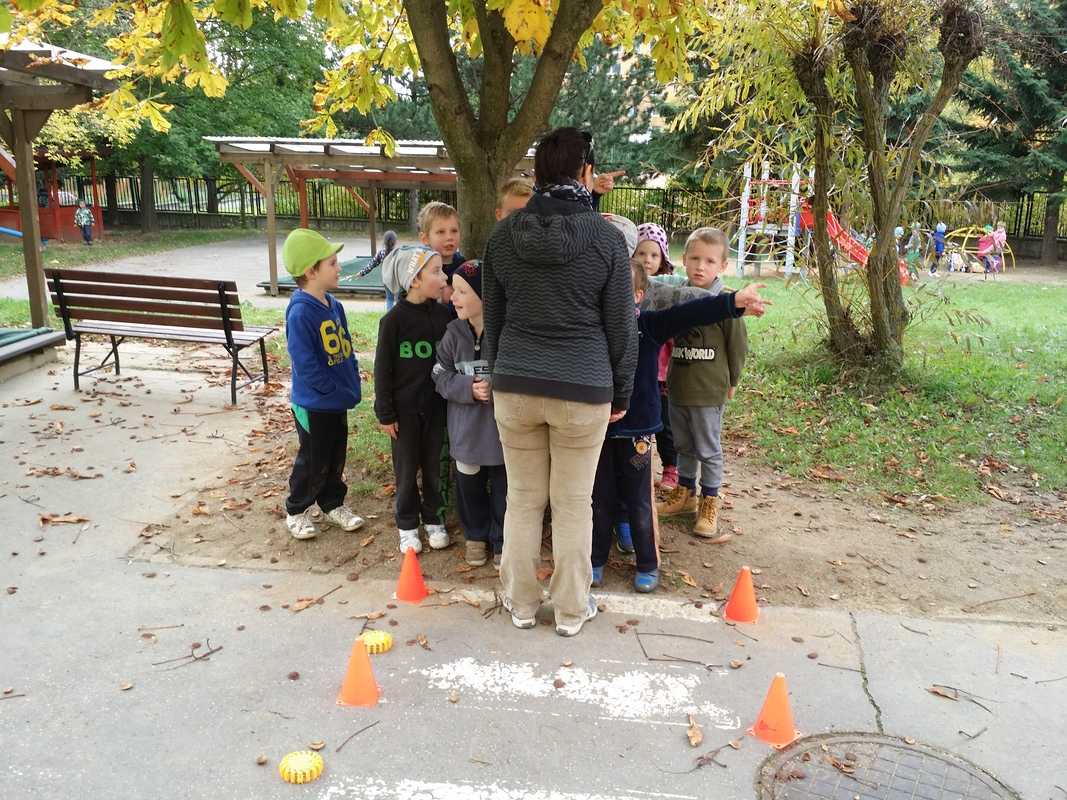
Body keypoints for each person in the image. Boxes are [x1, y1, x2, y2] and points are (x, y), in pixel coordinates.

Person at [483, 126, 637, 637]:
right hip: (584, 388)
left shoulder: (503, 237)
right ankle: (571, 611)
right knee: (574, 503)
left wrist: (494, 375)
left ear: (539, 174)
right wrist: (622, 390)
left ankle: (521, 604)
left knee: (523, 499)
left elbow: (494, 321)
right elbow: (622, 326)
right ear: (586, 173)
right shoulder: (607, 240)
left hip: (515, 384)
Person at [592, 261, 768, 593]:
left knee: (639, 500)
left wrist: (734, 303)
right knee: (600, 498)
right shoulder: (591, 331)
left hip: (638, 433)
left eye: (621, 293)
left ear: (638, 296)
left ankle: (647, 564)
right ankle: (594, 560)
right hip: (598, 430)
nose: (611, 301)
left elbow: (692, 312)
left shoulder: (650, 326)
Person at [656, 227, 747, 541]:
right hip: (678, 385)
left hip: (708, 390)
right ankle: (685, 493)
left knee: (707, 448)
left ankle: (709, 501)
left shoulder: (726, 302)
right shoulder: (679, 296)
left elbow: (737, 346)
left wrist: (732, 380)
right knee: (683, 444)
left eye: (709, 261)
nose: (700, 266)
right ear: (683, 260)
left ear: (722, 265)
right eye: (694, 259)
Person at [282, 229, 366, 541]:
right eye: (332, 263)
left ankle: (332, 503)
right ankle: (296, 509)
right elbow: (305, 365)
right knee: (313, 459)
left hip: (336, 401)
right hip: (315, 404)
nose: (339, 267)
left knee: (335, 456)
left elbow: (346, 349)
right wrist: (330, 391)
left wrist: (351, 379)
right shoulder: (301, 312)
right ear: (311, 271)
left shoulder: (334, 305)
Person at [375, 245, 453, 553]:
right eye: (436, 271)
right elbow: (383, 370)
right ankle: (407, 524)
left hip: (437, 410)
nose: (444, 277)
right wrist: (385, 413)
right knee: (406, 470)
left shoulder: (446, 316)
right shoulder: (393, 322)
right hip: (404, 414)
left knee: (435, 466)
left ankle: (434, 517)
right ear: (414, 280)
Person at [432, 260, 507, 569]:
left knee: (505, 492)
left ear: (485, 297)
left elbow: (521, 372)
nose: (453, 296)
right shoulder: (452, 334)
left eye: (462, 291)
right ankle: (475, 536)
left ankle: (503, 540)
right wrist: (467, 388)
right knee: (469, 489)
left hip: (502, 436)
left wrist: (497, 385)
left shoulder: (506, 334)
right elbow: (439, 375)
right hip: (466, 434)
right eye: (454, 289)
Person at [634, 222, 682, 494]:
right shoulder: (627, 282)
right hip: (640, 369)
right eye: (642, 254)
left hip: (662, 369)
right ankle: (639, 466)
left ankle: (671, 468)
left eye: (654, 255)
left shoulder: (668, 289)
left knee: (665, 423)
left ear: (663, 257)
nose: (648, 260)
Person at [418, 201, 465, 304]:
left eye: (454, 231)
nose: (449, 237)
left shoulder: (465, 268)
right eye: (441, 232)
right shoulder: (419, 268)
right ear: (425, 238)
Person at [355, 230, 400, 310]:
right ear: (395, 241)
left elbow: (371, 265)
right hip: (398, 280)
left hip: (387, 280)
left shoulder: (381, 253)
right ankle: (399, 318)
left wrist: (361, 273)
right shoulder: (399, 253)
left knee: (389, 299)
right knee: (398, 300)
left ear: (384, 242)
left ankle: (389, 319)